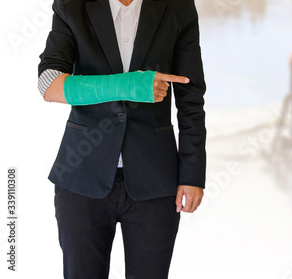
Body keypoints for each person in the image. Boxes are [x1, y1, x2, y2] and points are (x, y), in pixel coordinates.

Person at [37, 0, 206, 278]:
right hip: (82, 176)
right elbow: (48, 84)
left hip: (155, 179)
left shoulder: (178, 7)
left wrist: (192, 174)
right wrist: (129, 86)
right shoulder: (71, 6)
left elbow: (191, 101)